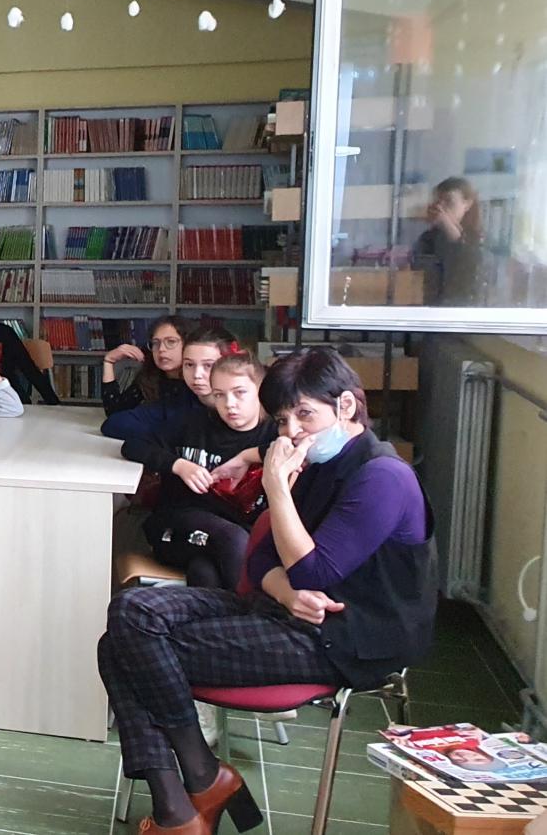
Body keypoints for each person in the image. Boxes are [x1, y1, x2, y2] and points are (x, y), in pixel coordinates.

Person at [99, 346, 435, 835]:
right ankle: (201, 776)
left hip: (345, 638)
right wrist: (284, 591)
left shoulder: (383, 477)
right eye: (282, 419)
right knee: (131, 611)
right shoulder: (320, 462)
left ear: (345, 406)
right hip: (285, 611)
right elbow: (259, 561)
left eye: (304, 415)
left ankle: (181, 802)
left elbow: (313, 572)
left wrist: (276, 488)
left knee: (121, 647)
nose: (292, 431)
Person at [121, 355, 275, 590]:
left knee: (204, 571)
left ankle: (217, 615)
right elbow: (132, 445)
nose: (229, 404)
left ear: (261, 392)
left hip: (235, 537)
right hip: (176, 526)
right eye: (219, 395)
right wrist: (180, 465)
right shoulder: (193, 423)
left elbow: (300, 448)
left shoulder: (273, 432)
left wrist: (248, 456)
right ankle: (253, 611)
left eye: (239, 393)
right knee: (231, 538)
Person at [99, 315, 196, 443]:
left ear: (189, 345)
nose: (161, 349)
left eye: (171, 342)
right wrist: (108, 361)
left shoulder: (200, 381)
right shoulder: (150, 376)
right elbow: (114, 416)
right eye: (156, 343)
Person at [415, 176, 485, 306]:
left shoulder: (477, 238)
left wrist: (447, 224)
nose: (441, 207)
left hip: (463, 307)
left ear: (467, 204)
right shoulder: (429, 238)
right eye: (438, 202)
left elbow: (470, 264)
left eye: (448, 201)